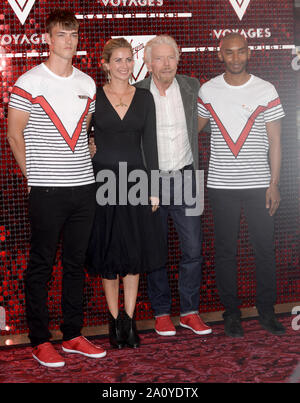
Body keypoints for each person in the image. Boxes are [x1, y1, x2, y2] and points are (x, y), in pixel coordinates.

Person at [7, 9, 106, 368]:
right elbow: (14, 135)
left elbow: (85, 131)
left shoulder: (87, 84)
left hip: (83, 188)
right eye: (62, 35)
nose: (69, 41)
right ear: (48, 39)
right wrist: (32, 179)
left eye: (74, 35)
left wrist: (89, 146)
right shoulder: (29, 82)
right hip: (47, 190)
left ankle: (73, 335)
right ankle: (39, 340)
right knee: (42, 265)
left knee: (76, 265)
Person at [197, 33, 286, 337]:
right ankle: (231, 314)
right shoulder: (207, 91)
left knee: (264, 250)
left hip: (260, 184)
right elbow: (188, 130)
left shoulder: (266, 89)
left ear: (249, 53)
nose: (235, 58)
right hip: (221, 185)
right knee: (225, 252)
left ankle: (267, 312)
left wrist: (274, 184)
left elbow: (275, 140)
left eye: (240, 52)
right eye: (229, 53)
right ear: (219, 54)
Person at [85, 38, 167, 349]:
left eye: (128, 60)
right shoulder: (92, 97)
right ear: (105, 64)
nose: (124, 65)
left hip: (136, 182)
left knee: (133, 254)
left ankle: (129, 322)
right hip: (101, 182)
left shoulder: (145, 98)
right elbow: (79, 133)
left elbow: (151, 145)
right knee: (108, 255)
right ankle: (112, 319)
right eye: (117, 60)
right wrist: (88, 146)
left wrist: (155, 187)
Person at [135, 35, 212, 337]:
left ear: (178, 59)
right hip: (150, 181)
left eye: (172, 57)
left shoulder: (192, 87)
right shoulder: (136, 92)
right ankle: (162, 312)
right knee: (155, 251)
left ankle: (190, 312)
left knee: (193, 249)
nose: (166, 64)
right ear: (148, 62)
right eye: (160, 58)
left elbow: (200, 123)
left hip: (187, 177)